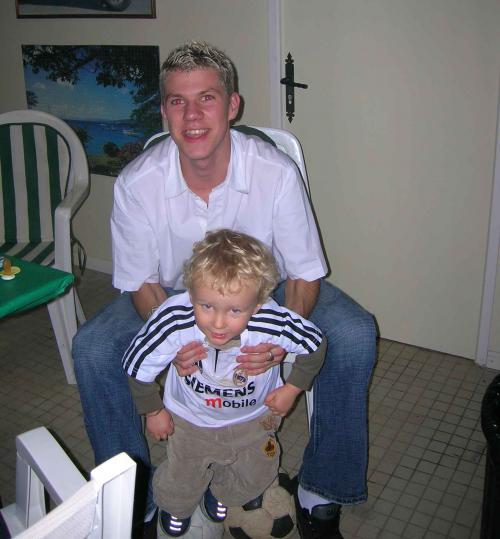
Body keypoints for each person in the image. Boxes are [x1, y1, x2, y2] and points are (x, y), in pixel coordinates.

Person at [72, 40, 377, 539]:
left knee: (356, 333)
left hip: (267, 289)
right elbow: (141, 282)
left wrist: (280, 339)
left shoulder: (275, 172)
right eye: (177, 101)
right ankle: (134, 501)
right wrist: (174, 341)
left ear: (232, 105)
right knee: (93, 349)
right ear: (164, 110)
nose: (192, 116)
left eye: (207, 98)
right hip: (172, 295)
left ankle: (322, 490)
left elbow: (305, 273)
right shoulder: (136, 183)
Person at [124, 229, 326, 537]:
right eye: (206, 306)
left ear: (257, 305)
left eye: (235, 310)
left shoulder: (272, 320)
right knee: (182, 472)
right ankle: (176, 507)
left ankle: (221, 493)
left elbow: (315, 344)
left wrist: (292, 388)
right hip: (190, 420)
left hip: (253, 419)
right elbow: (137, 364)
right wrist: (153, 410)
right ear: (191, 294)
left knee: (256, 471)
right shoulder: (174, 318)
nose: (218, 323)